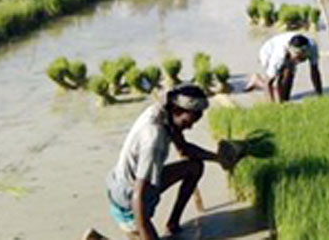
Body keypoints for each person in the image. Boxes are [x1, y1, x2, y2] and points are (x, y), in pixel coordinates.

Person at [101, 84, 239, 240]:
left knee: (194, 167)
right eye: (188, 122)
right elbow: (137, 197)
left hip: (134, 186)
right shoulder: (154, 139)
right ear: (176, 111)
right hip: (128, 203)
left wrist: (218, 158)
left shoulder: (165, 112)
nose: (190, 127)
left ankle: (172, 224)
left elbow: (184, 149)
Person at [245, 32, 323, 102]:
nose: (299, 59)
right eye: (297, 55)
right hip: (268, 52)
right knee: (281, 81)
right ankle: (257, 80)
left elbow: (314, 71)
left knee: (285, 97)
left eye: (302, 55)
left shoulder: (312, 47)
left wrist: (320, 95)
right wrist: (272, 107)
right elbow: (268, 82)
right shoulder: (279, 55)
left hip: (288, 56)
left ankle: (279, 94)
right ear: (290, 51)